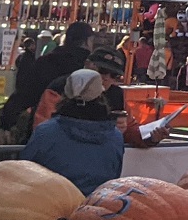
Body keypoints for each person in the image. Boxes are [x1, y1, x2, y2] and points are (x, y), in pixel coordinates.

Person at [21, 68, 124, 196]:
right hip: (96, 208)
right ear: (100, 96)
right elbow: (114, 175)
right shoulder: (116, 137)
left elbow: (25, 172)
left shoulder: (45, 132)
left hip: (51, 207)